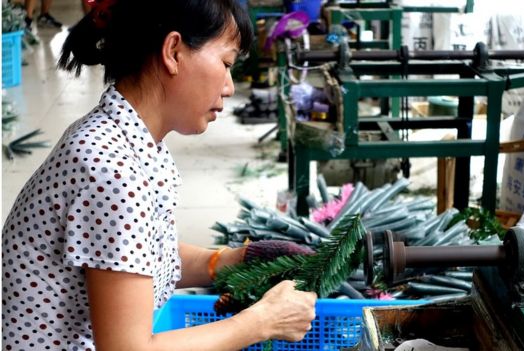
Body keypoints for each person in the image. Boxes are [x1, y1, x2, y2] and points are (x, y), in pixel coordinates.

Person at [1, 0, 317, 350]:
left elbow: (137, 256)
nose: (229, 87)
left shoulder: (130, 140)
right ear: (173, 51)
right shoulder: (110, 169)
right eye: (226, 63)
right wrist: (261, 322)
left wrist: (226, 261)